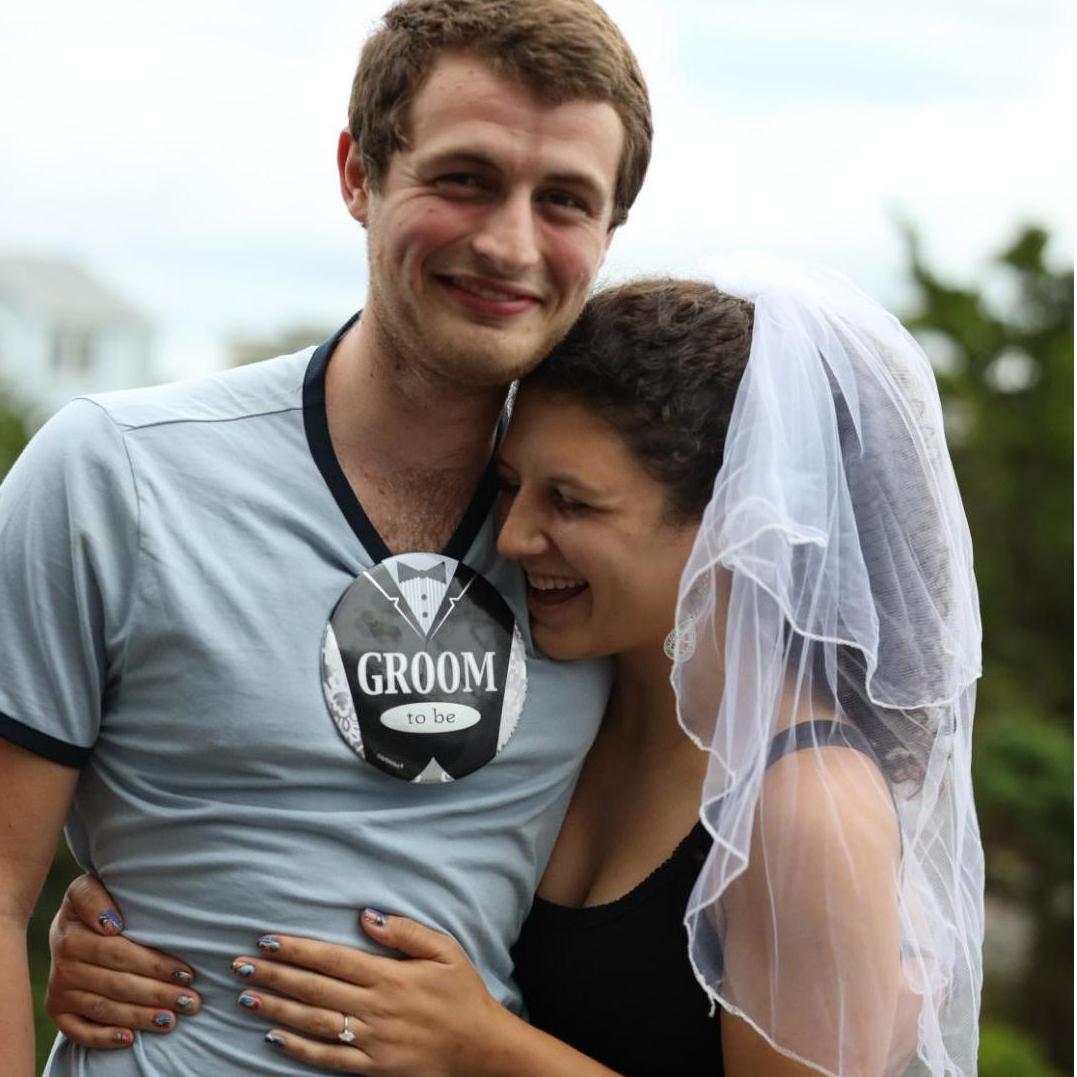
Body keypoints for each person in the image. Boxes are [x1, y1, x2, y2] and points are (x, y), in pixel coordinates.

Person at [46, 265, 985, 1076]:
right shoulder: (573, 692)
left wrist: (481, 1046)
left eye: (570, 501)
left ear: (737, 528)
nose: (515, 535)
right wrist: (139, 925)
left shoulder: (806, 808)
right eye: (510, 485)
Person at [0, 0, 653, 1072]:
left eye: (565, 200)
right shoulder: (113, 475)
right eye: (464, 178)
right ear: (359, 174)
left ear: (610, 230)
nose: (508, 242)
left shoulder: (616, 545)